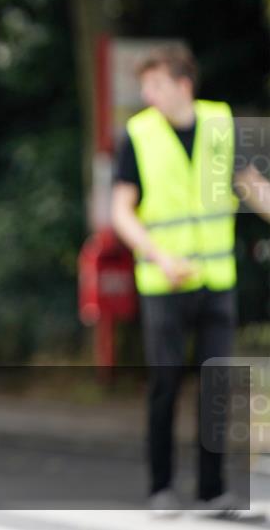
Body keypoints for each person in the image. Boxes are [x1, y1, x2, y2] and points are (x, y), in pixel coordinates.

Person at [110, 44, 270, 518]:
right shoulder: (139, 134)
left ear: (184, 85)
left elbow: (251, 184)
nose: (147, 95)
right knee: (165, 385)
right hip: (164, 283)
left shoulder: (220, 124)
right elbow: (121, 211)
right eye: (145, 86)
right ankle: (161, 488)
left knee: (215, 386)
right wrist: (158, 255)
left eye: (156, 85)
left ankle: (211, 492)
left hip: (216, 280)